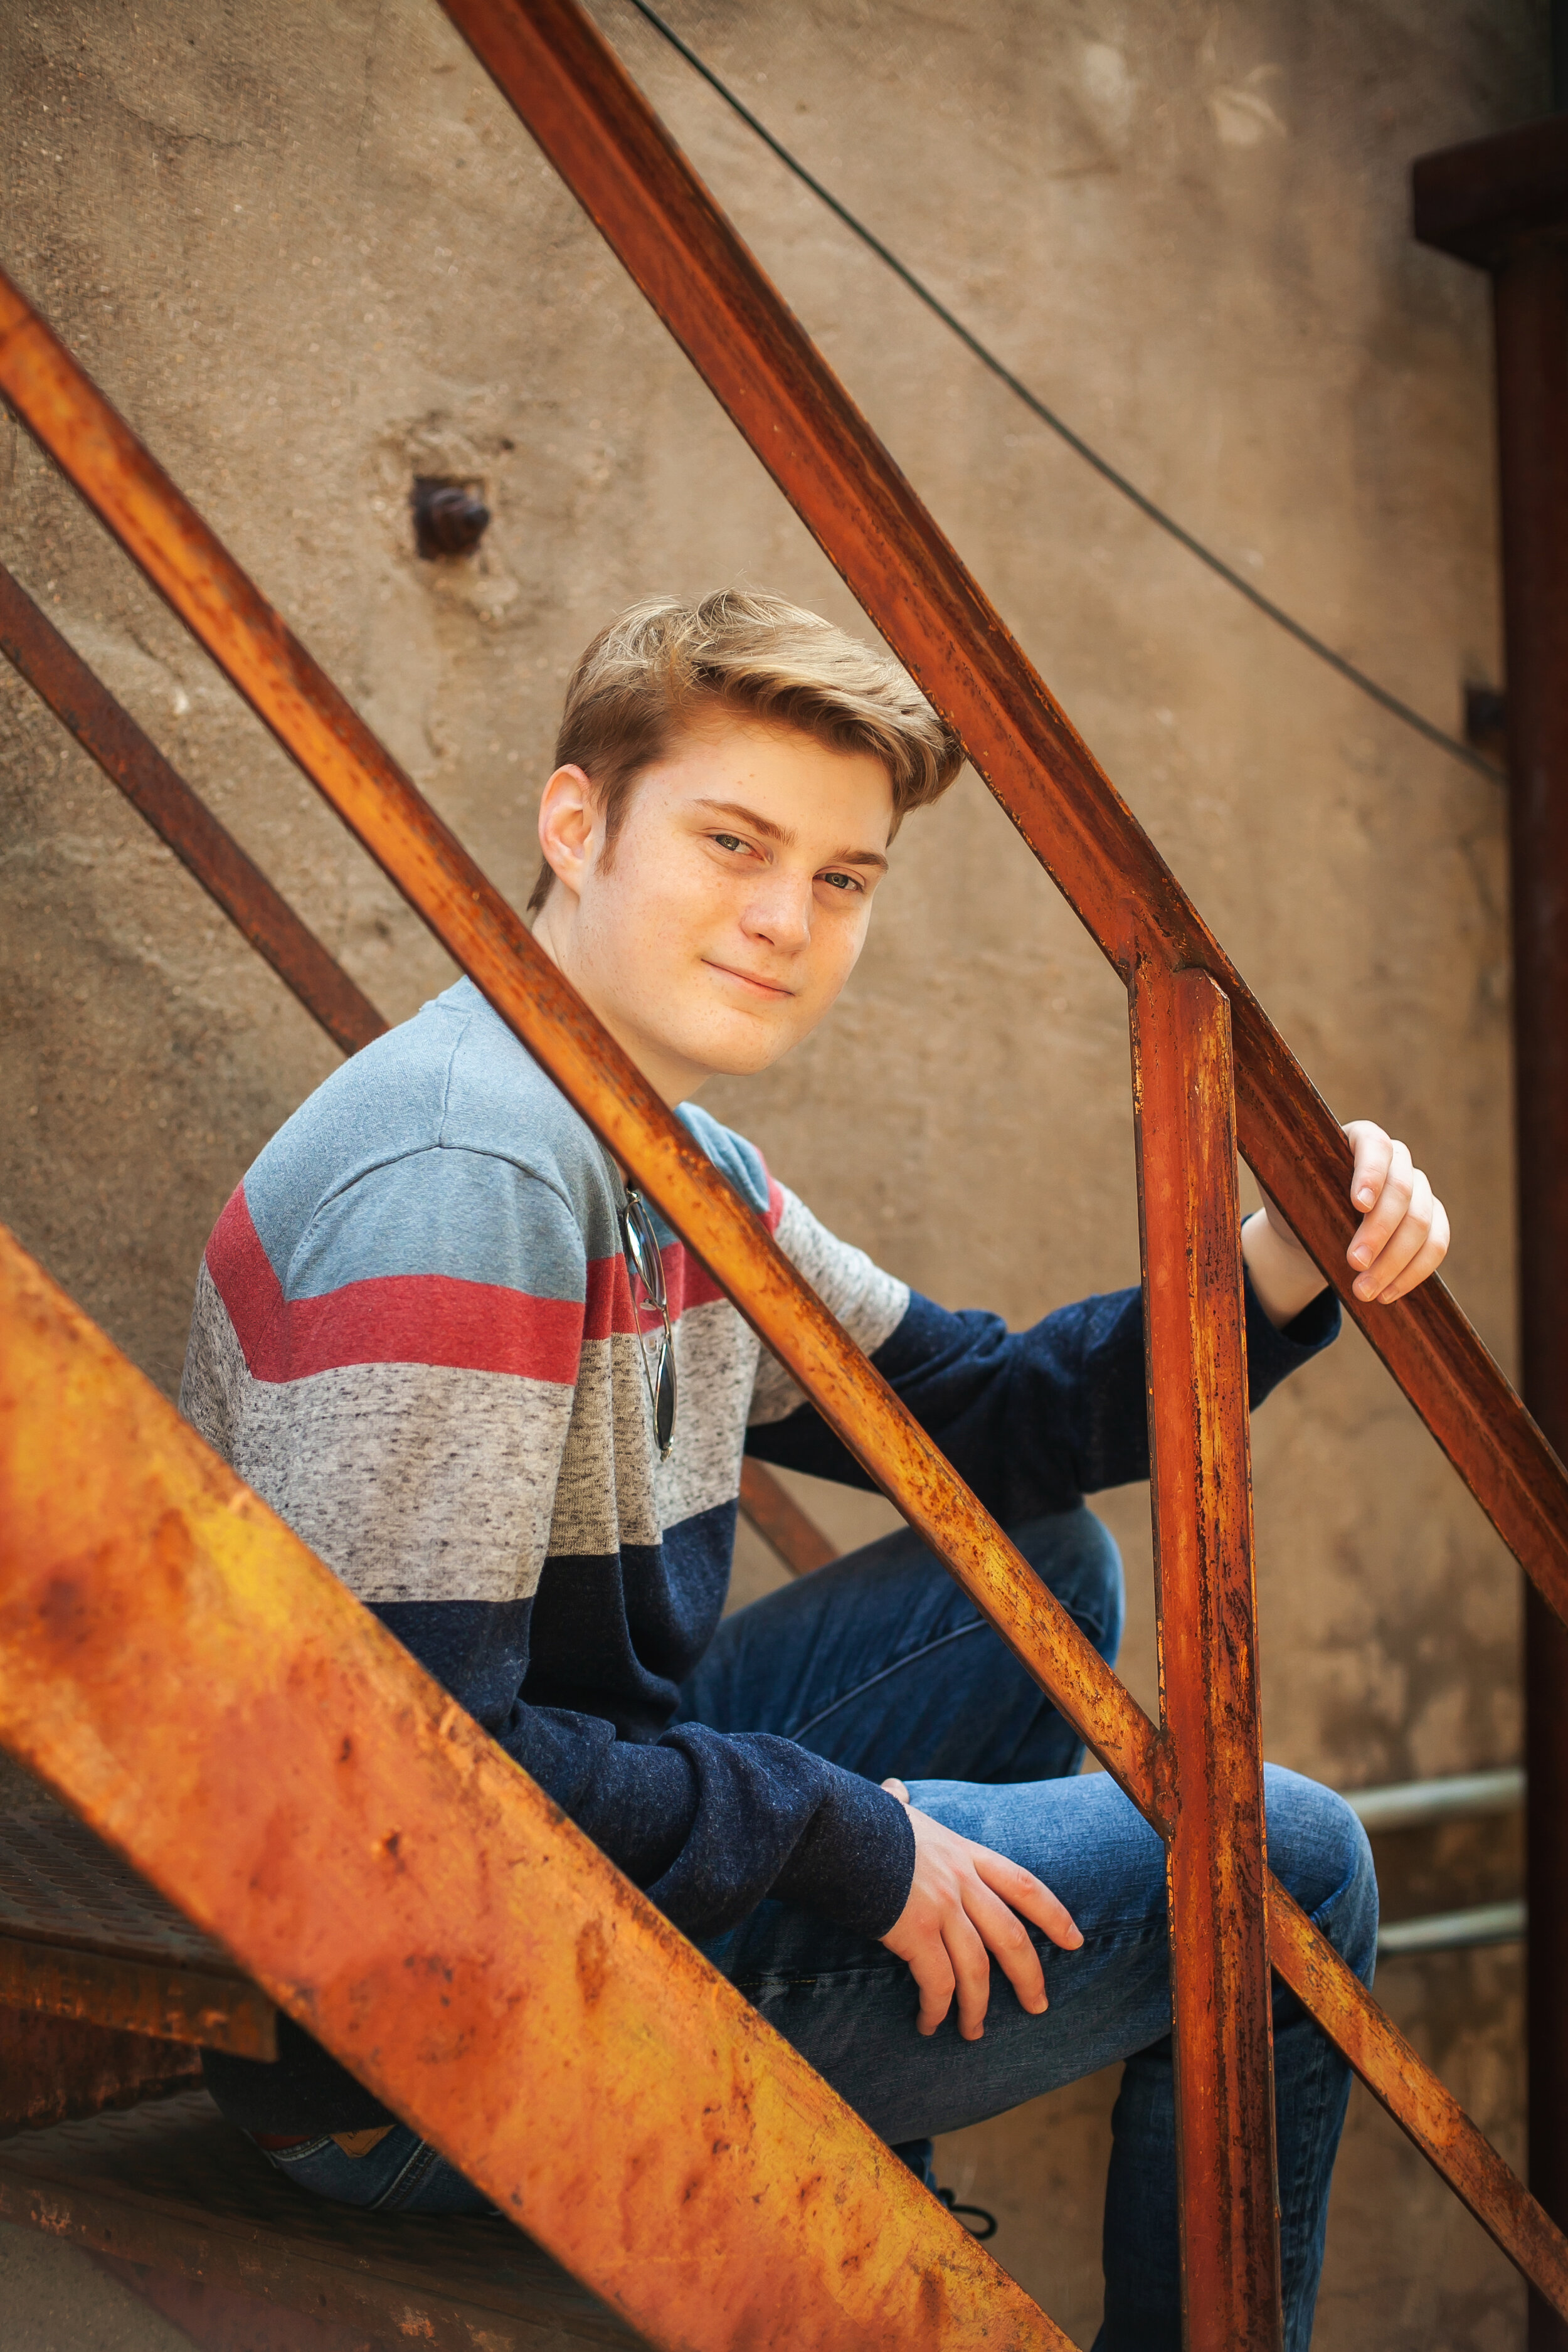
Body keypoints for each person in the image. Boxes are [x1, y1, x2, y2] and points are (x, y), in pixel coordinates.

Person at [181, 591, 1448, 2349]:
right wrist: (849, 1838)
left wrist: (1278, 1266)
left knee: (1036, 1566)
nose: (787, 920)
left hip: (535, 1880)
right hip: (412, 2037)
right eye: (732, 842)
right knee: (1286, 1869)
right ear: (573, 824)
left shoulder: (668, 1159)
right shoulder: (470, 1174)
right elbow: (411, 1780)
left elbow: (982, 1416)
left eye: (842, 878)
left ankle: (859, 2152)